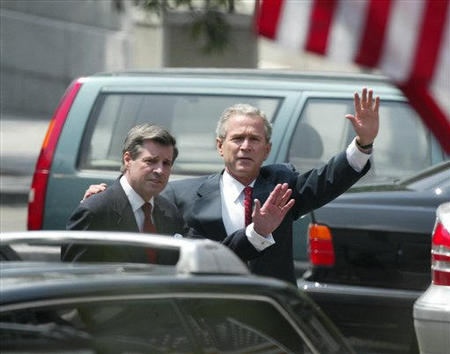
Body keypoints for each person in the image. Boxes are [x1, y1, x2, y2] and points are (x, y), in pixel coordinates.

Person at [83, 88, 379, 284]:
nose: (245, 147)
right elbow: (142, 209)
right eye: (237, 139)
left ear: (267, 149)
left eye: (255, 140)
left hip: (270, 312)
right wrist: (107, 198)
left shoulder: (281, 186)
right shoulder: (182, 195)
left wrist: (363, 143)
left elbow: (328, 180)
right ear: (220, 146)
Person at [61, 123, 187, 263]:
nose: (160, 170)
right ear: (128, 160)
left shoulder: (170, 213)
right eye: (151, 161)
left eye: (166, 163)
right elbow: (76, 277)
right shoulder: (96, 211)